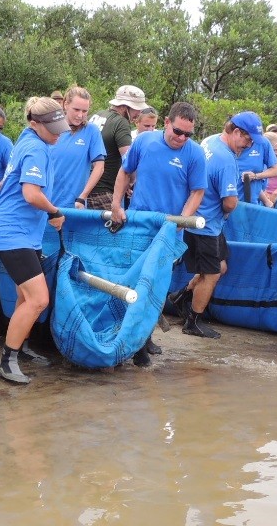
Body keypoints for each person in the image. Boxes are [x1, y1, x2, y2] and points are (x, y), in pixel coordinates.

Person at [111, 102, 207, 365]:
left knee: (155, 285)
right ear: (167, 122)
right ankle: (126, 335)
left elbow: (197, 191)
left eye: (188, 134)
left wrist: (181, 221)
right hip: (139, 224)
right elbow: (125, 171)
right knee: (131, 281)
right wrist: (117, 203)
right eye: (177, 131)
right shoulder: (144, 142)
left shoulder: (195, 154)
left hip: (168, 231)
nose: (181, 138)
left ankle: (143, 340)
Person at [0, 97, 69, 384]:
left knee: (25, 297)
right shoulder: (35, 147)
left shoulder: (28, 141)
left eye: (60, 125)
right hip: (13, 232)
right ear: (34, 123)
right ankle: (7, 361)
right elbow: (31, 194)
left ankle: (19, 347)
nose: (59, 132)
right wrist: (55, 212)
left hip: (23, 231)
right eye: (53, 127)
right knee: (38, 299)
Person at [171, 112, 257, 341]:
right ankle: (193, 321)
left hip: (202, 221)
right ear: (236, 132)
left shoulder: (209, 140)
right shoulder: (227, 160)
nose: (249, 145)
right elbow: (229, 202)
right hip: (205, 225)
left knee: (220, 267)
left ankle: (181, 297)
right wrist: (230, 207)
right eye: (248, 140)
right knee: (211, 274)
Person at [86, 85, 149, 209]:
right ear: (125, 107)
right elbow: (129, 160)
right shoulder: (121, 122)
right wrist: (131, 182)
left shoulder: (97, 115)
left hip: (86, 187)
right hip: (103, 190)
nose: (139, 113)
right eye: (137, 109)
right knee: (115, 224)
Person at [49, 86, 106, 209]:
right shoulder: (50, 128)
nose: (80, 115)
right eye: (76, 110)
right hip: (46, 203)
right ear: (65, 105)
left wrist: (83, 196)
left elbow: (99, 167)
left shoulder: (91, 131)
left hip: (74, 205)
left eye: (84, 111)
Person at [236, 121, 277, 204]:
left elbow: (275, 170)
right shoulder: (226, 146)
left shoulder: (263, 143)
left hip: (252, 203)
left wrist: (255, 176)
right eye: (249, 138)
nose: (249, 144)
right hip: (229, 203)